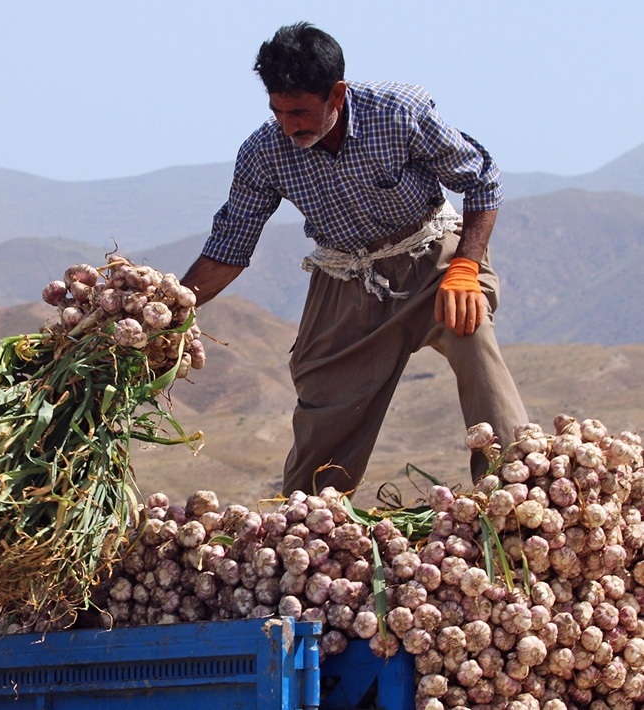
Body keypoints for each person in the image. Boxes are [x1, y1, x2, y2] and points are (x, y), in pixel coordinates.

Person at [181, 22, 528, 496]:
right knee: (324, 404)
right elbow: (229, 247)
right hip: (348, 278)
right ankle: (307, 521)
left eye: (300, 111)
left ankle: (516, 490)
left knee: (472, 336)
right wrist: (171, 308)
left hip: (432, 260)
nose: (289, 125)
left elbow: (482, 179)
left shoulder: (399, 112)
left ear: (337, 94)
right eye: (278, 111)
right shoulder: (263, 152)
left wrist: (466, 266)